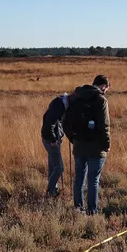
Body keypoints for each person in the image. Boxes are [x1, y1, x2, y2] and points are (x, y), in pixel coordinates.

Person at [65, 75, 111, 215]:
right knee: (93, 180)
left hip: (78, 145)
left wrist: (73, 139)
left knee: (79, 178)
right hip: (96, 147)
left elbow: (65, 121)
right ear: (103, 86)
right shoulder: (101, 100)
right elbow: (104, 126)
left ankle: (78, 209)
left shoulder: (76, 96)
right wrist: (106, 145)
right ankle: (92, 211)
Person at [41, 92, 70, 197]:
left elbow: (59, 124)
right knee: (59, 168)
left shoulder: (58, 105)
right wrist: (53, 140)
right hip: (52, 141)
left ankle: (53, 190)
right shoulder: (58, 107)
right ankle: (50, 191)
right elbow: (49, 125)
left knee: (53, 167)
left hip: (52, 139)